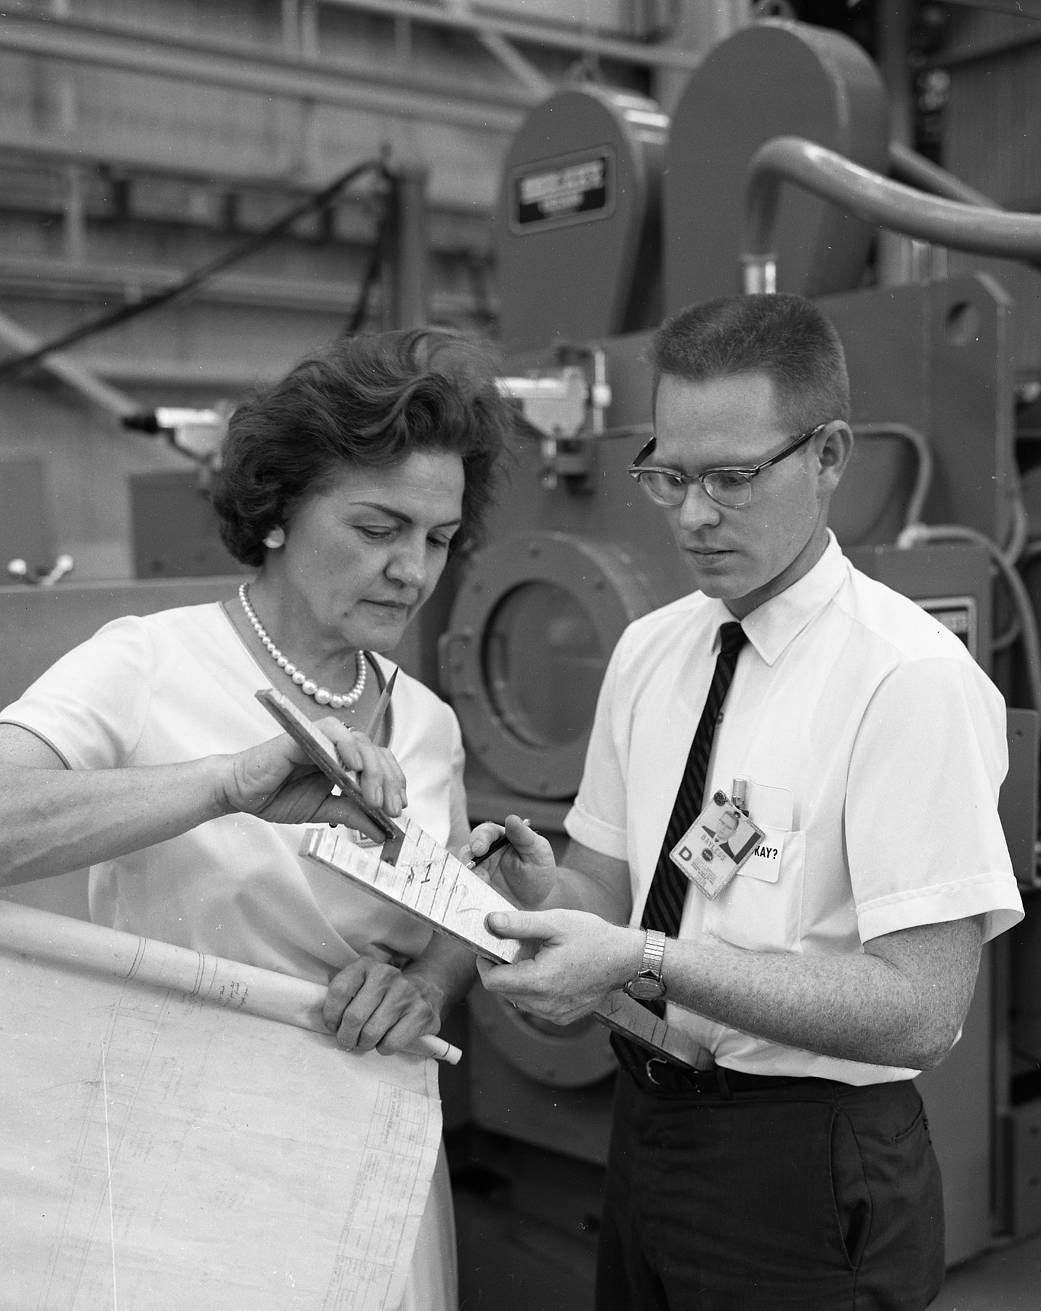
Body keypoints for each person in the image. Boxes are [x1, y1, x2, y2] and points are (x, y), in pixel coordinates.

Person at [471, 293, 1025, 1311]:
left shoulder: (905, 678)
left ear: (829, 456)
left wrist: (644, 958)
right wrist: (547, 891)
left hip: (808, 1162)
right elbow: (607, 878)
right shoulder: (651, 651)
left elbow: (920, 1010)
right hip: (649, 1128)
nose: (692, 514)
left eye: (730, 478)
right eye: (670, 475)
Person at [0, 326, 518, 1311]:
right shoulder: (148, 664)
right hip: (178, 1176)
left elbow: (447, 916)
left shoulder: (431, 726)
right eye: (378, 530)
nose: (413, 569)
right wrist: (227, 783)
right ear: (277, 512)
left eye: (439, 540)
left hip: (369, 1157)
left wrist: (428, 986)